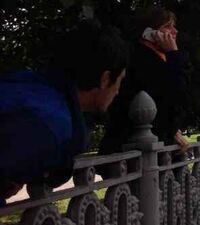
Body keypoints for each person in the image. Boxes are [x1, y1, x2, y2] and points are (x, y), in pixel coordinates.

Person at [0, 21, 129, 204]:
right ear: (105, 79)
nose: (117, 91)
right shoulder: (49, 124)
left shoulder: (27, 87)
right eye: (119, 81)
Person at [99, 7, 193, 157]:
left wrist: (173, 129)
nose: (175, 31)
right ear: (149, 32)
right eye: (167, 27)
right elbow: (173, 94)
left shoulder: (163, 58)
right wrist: (175, 54)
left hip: (156, 148)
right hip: (135, 152)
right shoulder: (139, 58)